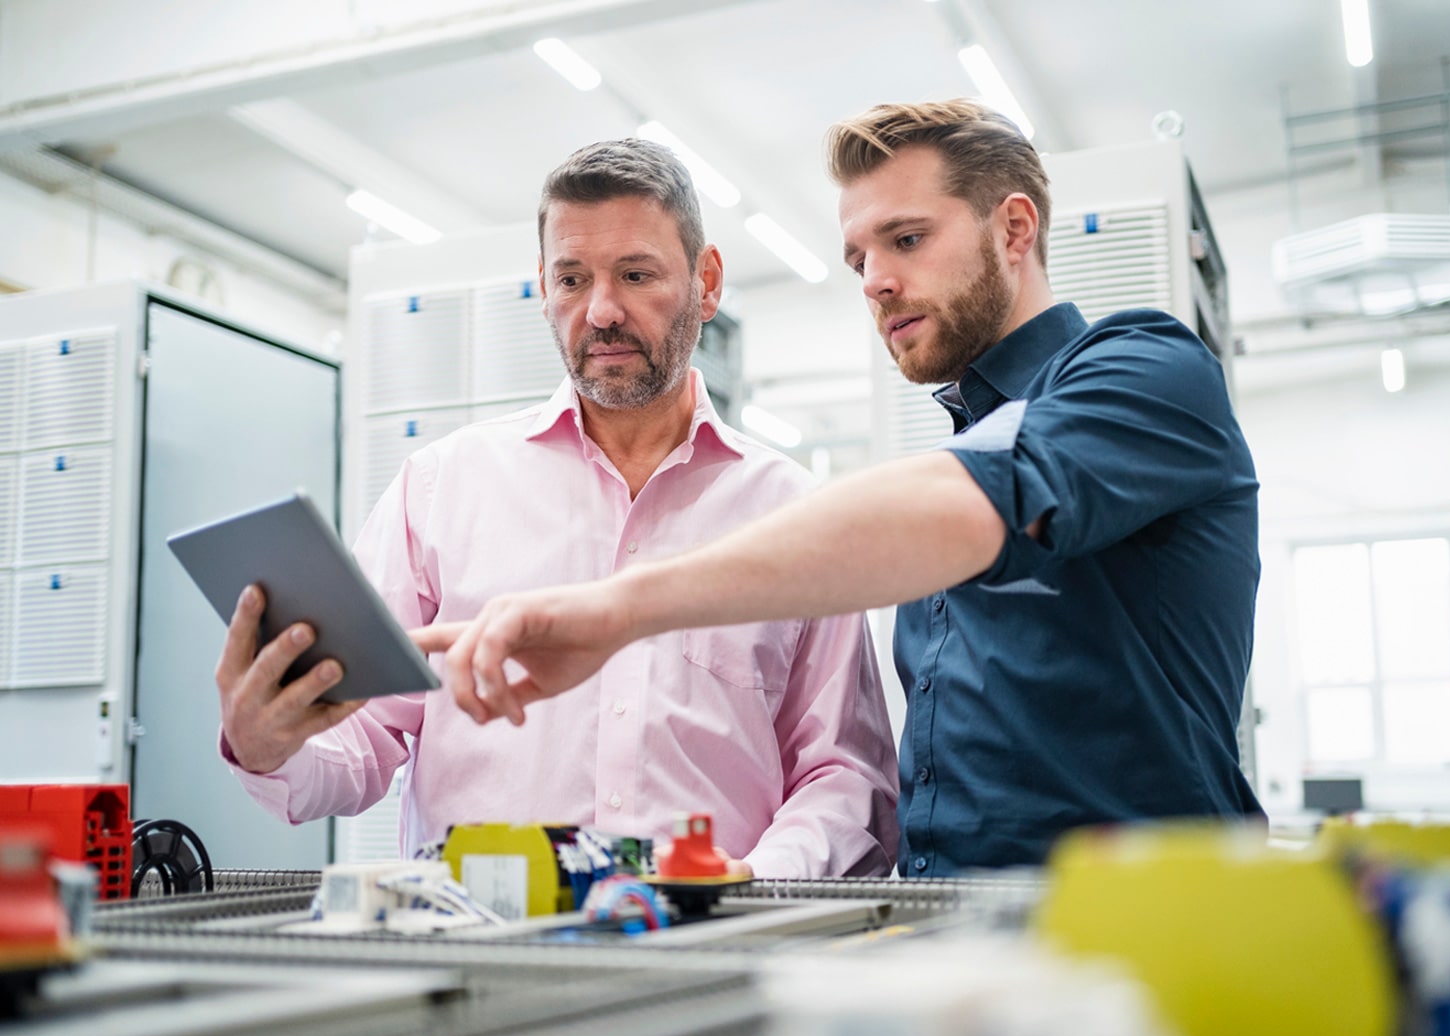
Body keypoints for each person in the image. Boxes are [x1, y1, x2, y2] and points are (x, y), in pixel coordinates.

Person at [414, 99, 1266, 877]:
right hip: (970, 943)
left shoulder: (1146, 370)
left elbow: (966, 505)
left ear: (1013, 229)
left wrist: (620, 611)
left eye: (906, 239)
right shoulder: (962, 446)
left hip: (1143, 938)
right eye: (858, 255)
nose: (873, 280)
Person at [215, 138, 899, 878]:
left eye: (636, 274)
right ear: (542, 287)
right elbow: (365, 733)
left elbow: (844, 775)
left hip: (710, 952)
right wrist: (270, 745)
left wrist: (755, 885)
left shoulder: (789, 511)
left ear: (706, 282)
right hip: (484, 957)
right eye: (572, 279)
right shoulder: (442, 488)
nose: (601, 311)